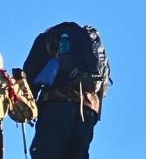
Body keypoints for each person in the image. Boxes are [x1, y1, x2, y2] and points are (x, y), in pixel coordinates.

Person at [22, 22, 110, 159]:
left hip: (57, 106)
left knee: (46, 153)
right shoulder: (91, 45)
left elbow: (28, 79)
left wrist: (26, 108)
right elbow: (102, 88)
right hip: (88, 111)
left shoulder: (48, 38)